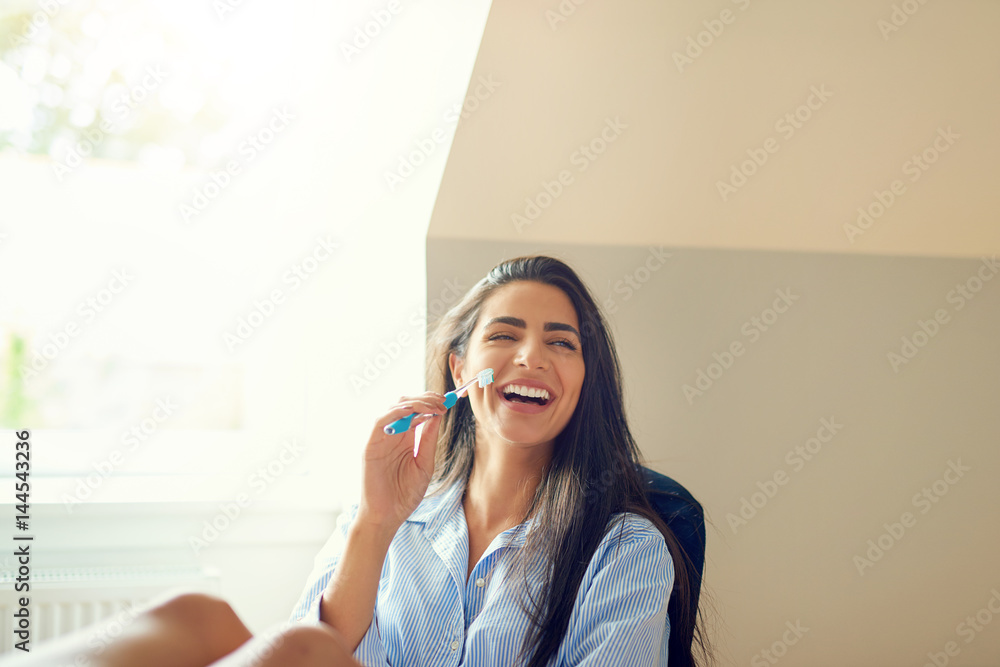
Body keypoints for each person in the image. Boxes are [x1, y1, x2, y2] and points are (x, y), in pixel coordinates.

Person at [289, 255, 709, 666]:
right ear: (460, 370)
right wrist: (376, 523)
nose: (531, 357)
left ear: (585, 381)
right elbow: (301, 659)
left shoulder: (626, 551)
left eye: (561, 342)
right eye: (504, 335)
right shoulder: (371, 520)